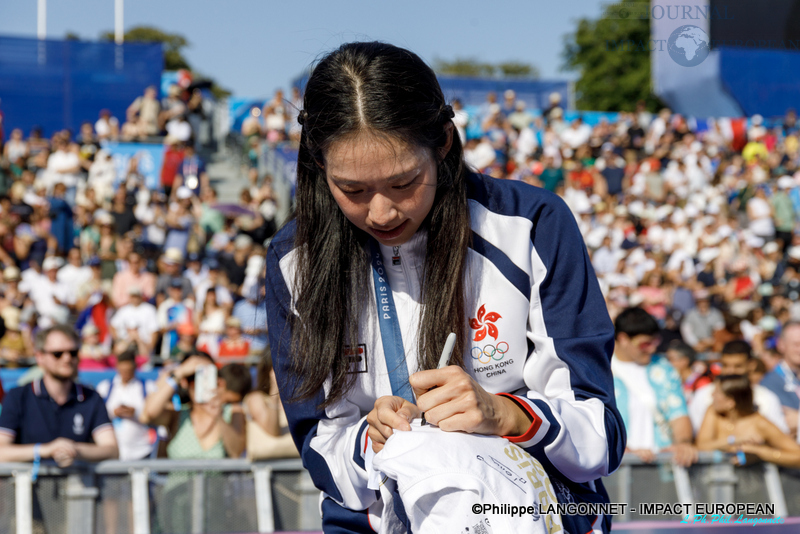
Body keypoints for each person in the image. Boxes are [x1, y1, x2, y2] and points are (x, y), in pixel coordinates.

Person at [265, 42, 624, 534]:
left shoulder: (528, 224)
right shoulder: (294, 259)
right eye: (351, 189)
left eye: (404, 182)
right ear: (317, 166)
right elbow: (320, 453)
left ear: (444, 144)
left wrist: (504, 413)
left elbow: (600, 438)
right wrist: (371, 440)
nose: (382, 213)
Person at [0, 325, 119, 465]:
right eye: (58, 353)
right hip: (31, 484)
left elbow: (112, 450)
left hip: (80, 485)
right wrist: (44, 450)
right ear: (40, 357)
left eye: (73, 352)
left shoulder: (92, 398)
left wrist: (74, 450)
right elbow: (2, 451)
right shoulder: (18, 396)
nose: (67, 358)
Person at [611, 307, 697, 466]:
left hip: (660, 466)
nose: (653, 348)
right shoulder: (601, 370)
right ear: (623, 339)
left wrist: (683, 443)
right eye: (645, 344)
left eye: (655, 341)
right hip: (617, 469)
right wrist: (618, 449)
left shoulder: (664, 368)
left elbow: (678, 413)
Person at [696, 375, 800, 467]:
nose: (712, 395)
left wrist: (760, 453)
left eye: (717, 392)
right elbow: (702, 446)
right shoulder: (713, 412)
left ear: (730, 402)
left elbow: (797, 455)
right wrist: (734, 440)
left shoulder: (759, 423)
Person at [689, 340, 787, 436]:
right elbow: (697, 437)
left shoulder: (766, 398)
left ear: (751, 365)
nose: (730, 372)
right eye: (726, 365)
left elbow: (780, 436)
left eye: (738, 366)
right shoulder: (704, 395)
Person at [96, 350, 156, 460]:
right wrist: (114, 412)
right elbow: (96, 416)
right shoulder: (104, 387)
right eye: (123, 370)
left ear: (135, 367)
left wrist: (136, 413)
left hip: (141, 452)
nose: (126, 374)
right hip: (112, 454)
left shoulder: (148, 387)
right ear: (117, 367)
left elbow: (156, 416)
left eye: (129, 371)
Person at [761, 321, 800, 439]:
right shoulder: (769, 384)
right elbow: (778, 427)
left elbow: (793, 422)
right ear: (781, 345)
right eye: (797, 344)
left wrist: (797, 419)